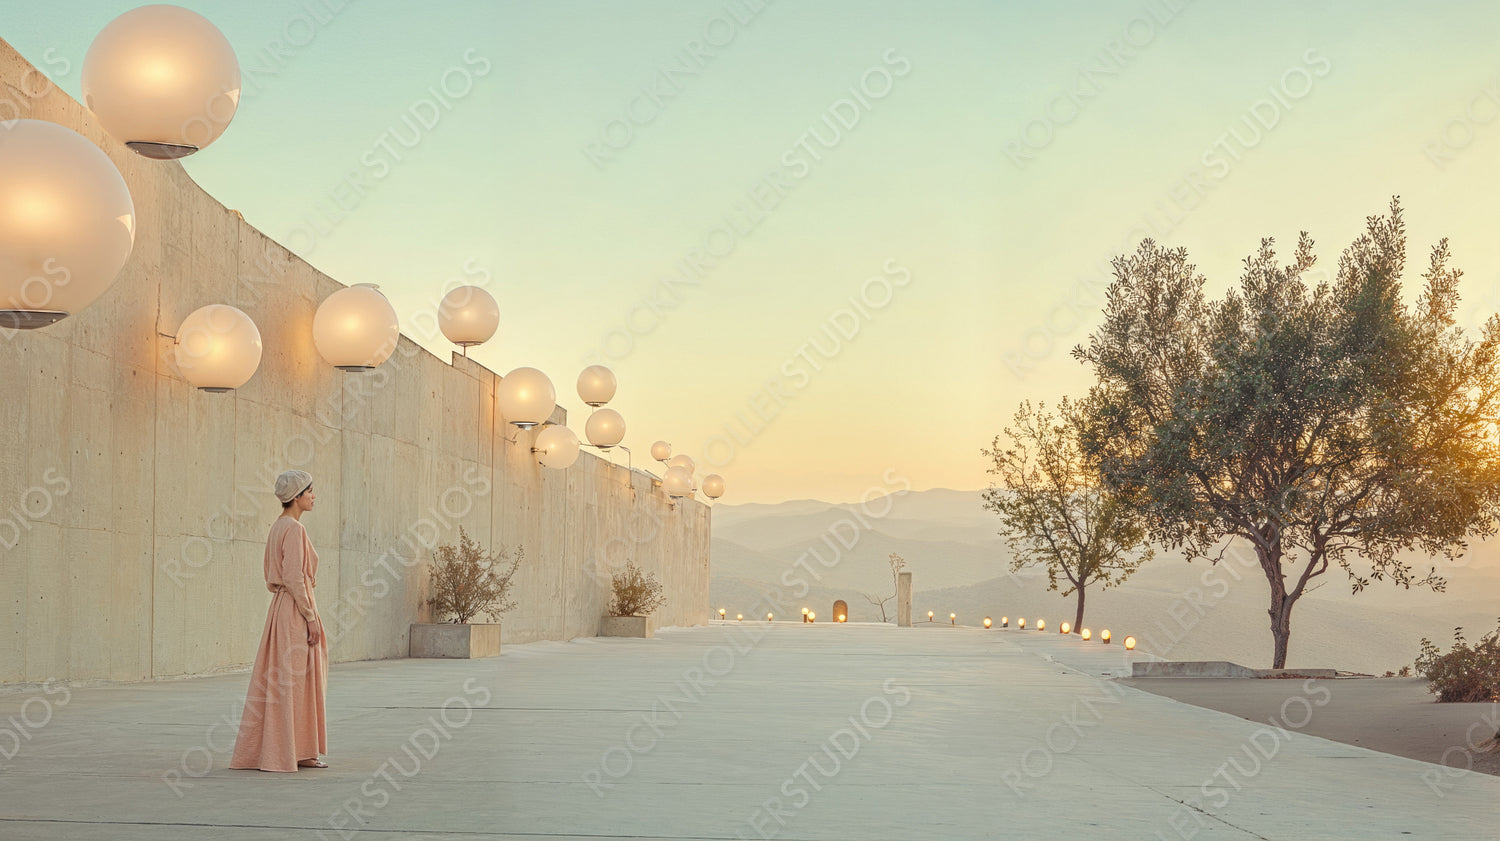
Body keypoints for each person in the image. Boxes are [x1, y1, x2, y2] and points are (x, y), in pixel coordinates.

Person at [229, 469, 330, 771]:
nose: (314, 496)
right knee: (298, 679)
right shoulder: (295, 529)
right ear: (297, 496)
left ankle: (292, 749)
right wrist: (311, 617)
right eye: (310, 491)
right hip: (295, 609)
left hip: (280, 608)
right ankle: (298, 752)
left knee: (286, 680)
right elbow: (294, 576)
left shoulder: (278, 527)